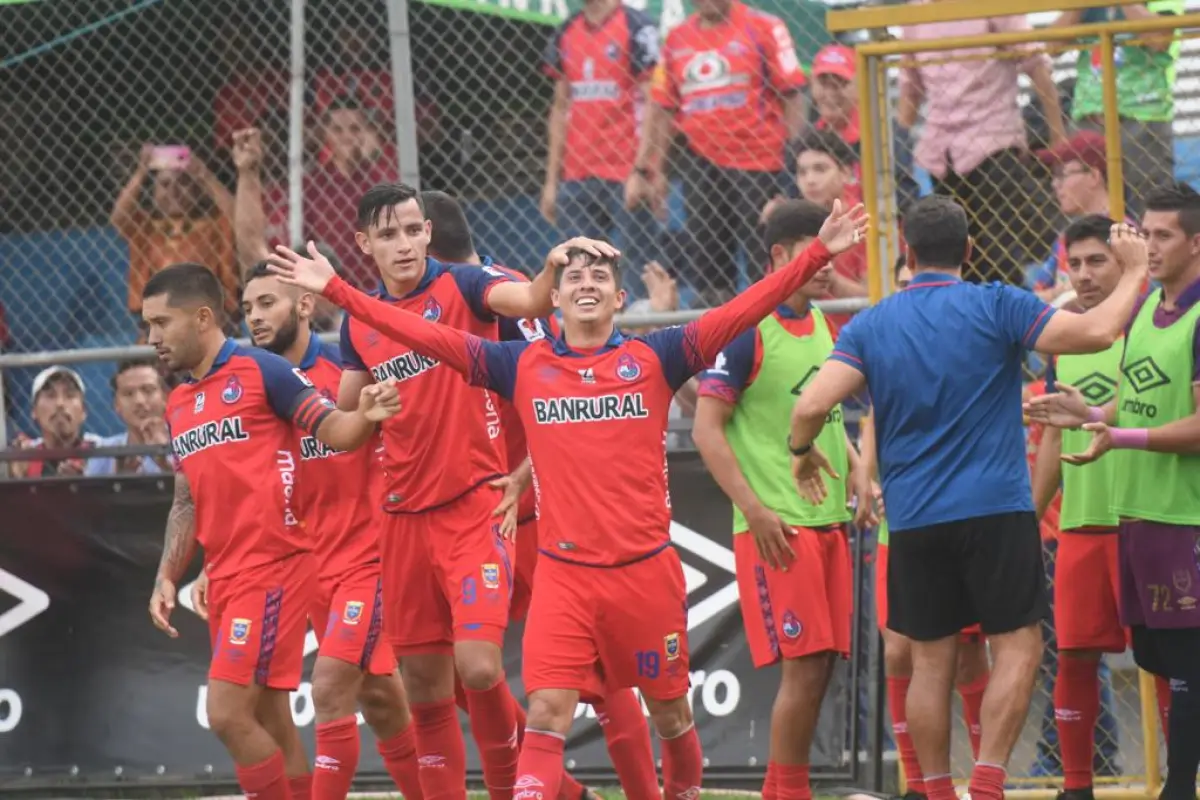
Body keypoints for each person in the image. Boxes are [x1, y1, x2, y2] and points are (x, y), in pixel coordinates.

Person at [267, 201, 869, 800]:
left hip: (645, 575)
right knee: (549, 710)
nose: (586, 283)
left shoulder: (657, 356)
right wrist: (341, 293)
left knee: (670, 717)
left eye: (600, 277)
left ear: (618, 299)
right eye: (574, 276)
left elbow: (745, 307)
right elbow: (421, 333)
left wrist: (818, 252)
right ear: (554, 299)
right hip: (565, 577)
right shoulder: (520, 364)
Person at [787, 195, 1147, 800]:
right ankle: (988, 779)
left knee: (930, 664)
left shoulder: (875, 322)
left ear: (906, 250)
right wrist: (1134, 269)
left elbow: (811, 406)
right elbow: (1097, 330)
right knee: (1020, 645)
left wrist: (802, 455)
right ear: (970, 251)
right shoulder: (997, 303)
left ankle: (937, 790)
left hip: (916, 519)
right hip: (997, 509)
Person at [332, 183, 611, 800]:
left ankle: (522, 790)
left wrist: (552, 266)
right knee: (427, 689)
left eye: (411, 230)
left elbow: (531, 298)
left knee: (480, 667)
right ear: (363, 244)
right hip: (403, 520)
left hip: (476, 506)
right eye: (387, 235)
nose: (403, 244)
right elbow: (343, 428)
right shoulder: (359, 323)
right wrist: (363, 412)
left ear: (428, 232)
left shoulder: (464, 286)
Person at [421, 188, 660, 800]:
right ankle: (561, 787)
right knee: (455, 671)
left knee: (591, 673)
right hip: (484, 503)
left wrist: (527, 469)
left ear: (426, 239)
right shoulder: (480, 290)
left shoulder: (492, 293)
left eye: (405, 236)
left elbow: (562, 388)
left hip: (515, 508)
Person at [143, 262, 401, 800]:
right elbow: (186, 497)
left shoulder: (264, 371)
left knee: (225, 713)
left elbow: (334, 431)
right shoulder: (177, 404)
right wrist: (169, 573)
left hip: (277, 568)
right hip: (230, 576)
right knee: (273, 719)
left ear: (204, 317)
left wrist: (367, 414)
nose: (152, 338)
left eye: (161, 323)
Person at [691, 199, 874, 800]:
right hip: (777, 528)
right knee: (803, 667)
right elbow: (706, 430)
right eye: (811, 249)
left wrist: (853, 469)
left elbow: (821, 411)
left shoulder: (823, 324)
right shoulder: (747, 328)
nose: (826, 265)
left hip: (826, 522)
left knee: (820, 667)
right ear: (778, 256)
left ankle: (780, 791)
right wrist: (756, 509)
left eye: (830, 250)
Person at [1026, 183, 1200, 800]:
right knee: (1084, 656)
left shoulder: (1159, 317)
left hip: (1165, 518)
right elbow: (1059, 431)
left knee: (1174, 665)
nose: (1084, 274)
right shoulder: (1068, 334)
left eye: (1098, 259)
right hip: (1095, 523)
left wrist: (1115, 429)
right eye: (1074, 263)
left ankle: (1179, 783)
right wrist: (1029, 515)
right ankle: (1077, 788)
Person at [858, 259, 992, 792]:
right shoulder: (886, 335)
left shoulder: (967, 337)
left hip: (961, 510)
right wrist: (866, 475)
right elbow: (873, 417)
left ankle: (984, 773)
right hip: (904, 518)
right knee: (898, 648)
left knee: (966, 655)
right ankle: (917, 781)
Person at [628, 0, 806, 301]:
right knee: (709, 269)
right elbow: (662, 109)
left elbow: (792, 95)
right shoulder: (676, 38)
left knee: (763, 261)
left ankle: (766, 334)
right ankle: (718, 340)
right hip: (701, 164)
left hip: (761, 164)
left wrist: (796, 163)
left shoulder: (765, 26)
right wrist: (649, 168)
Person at [539, 0, 661, 291]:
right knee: (583, 279)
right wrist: (551, 182)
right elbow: (559, 107)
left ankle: (644, 334)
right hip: (576, 175)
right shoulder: (566, 31)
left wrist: (643, 170)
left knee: (640, 275)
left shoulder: (637, 25)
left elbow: (654, 102)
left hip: (626, 172)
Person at [11, 366, 102, 478]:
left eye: (70, 395)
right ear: (34, 411)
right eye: (50, 395)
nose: (60, 404)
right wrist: (17, 477)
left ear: (83, 411)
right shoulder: (26, 456)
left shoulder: (101, 450)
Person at [86, 359, 171, 476]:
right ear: (117, 404)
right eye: (128, 393)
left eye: (148, 390)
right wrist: (121, 477)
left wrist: (165, 464)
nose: (139, 401)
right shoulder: (104, 452)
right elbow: (91, 494)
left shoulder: (190, 443)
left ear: (165, 397)